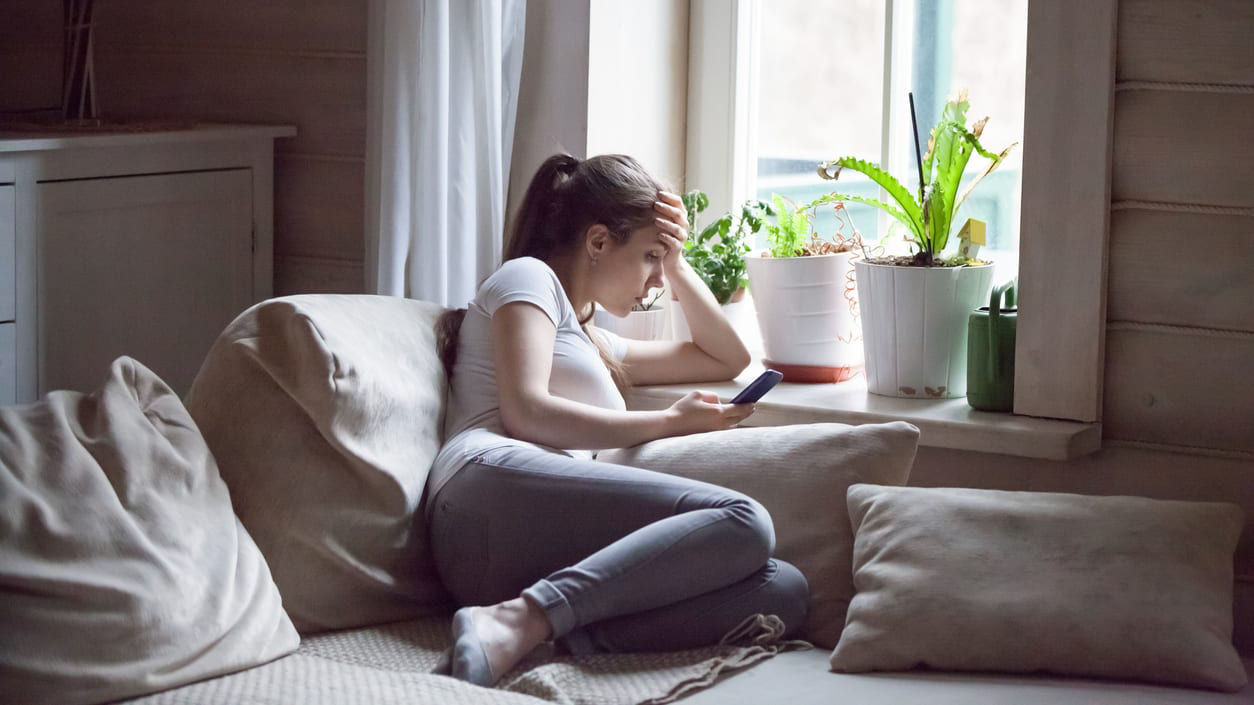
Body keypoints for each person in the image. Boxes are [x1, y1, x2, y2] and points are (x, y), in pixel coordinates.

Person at [429, 153, 809, 687]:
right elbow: (526, 411)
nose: (655, 281)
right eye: (650, 257)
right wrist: (666, 423)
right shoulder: (528, 278)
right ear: (599, 242)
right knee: (744, 519)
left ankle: (539, 629)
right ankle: (521, 618)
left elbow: (728, 358)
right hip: (483, 491)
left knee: (782, 589)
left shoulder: (593, 340)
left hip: (528, 543)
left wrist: (677, 262)